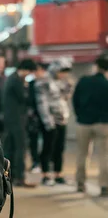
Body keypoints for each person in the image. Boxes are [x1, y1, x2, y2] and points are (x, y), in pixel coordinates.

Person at [73, 56, 108, 196]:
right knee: (104, 156)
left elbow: (75, 100)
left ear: (96, 66)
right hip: (103, 124)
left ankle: (80, 183)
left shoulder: (83, 81)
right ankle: (105, 186)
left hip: (83, 123)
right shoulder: (106, 84)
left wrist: (80, 115)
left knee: (82, 154)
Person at [2, 59, 38, 188]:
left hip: (11, 118)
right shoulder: (16, 81)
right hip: (16, 119)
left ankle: (10, 177)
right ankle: (19, 177)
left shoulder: (11, 78)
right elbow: (25, 98)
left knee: (10, 148)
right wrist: (28, 87)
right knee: (20, 147)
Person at [35, 62, 70, 185]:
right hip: (50, 121)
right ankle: (46, 175)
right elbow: (41, 103)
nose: (63, 74)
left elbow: (64, 99)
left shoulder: (62, 82)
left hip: (62, 119)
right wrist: (48, 121)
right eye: (62, 71)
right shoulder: (43, 82)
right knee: (48, 148)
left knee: (59, 148)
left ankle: (58, 174)